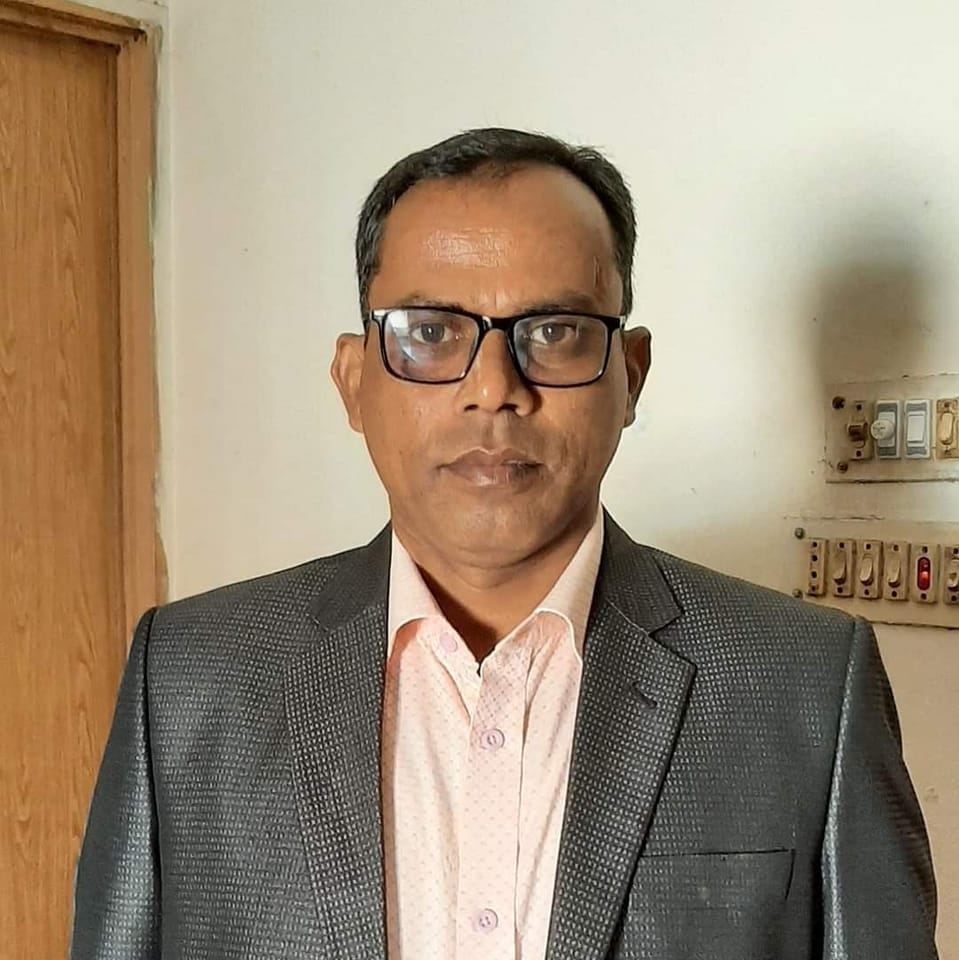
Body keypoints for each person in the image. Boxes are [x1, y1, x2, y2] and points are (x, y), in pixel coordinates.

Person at [70, 128, 939, 960]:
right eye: (429, 332)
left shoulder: (803, 683)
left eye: (554, 331)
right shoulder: (188, 678)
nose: (493, 389)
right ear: (353, 378)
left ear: (630, 377)